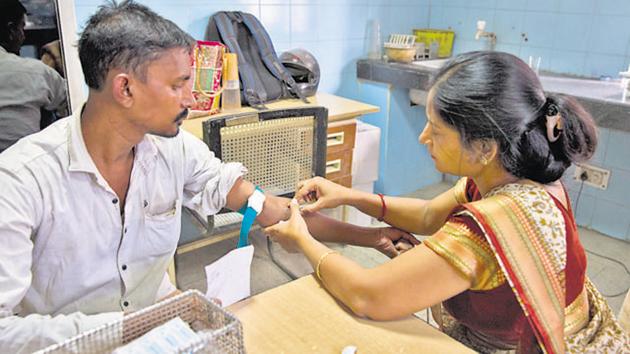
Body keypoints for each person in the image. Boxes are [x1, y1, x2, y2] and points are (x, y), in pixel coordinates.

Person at [0, 1, 417, 352]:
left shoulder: (174, 149)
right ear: (125, 89)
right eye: (180, 84)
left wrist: (370, 236)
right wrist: (146, 322)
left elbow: (268, 210)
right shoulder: (21, 180)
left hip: (162, 330)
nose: (192, 99)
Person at [265, 51, 630, 353]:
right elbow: (427, 215)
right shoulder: (520, 173)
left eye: (436, 130)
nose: (423, 137)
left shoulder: (492, 225)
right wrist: (348, 195)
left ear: (486, 147)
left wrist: (303, 242)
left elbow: (367, 296)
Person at [0, 0, 67, 152]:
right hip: (19, 168)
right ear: (11, 30)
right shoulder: (36, 72)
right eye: (21, 28)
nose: (23, 37)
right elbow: (76, 107)